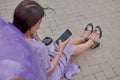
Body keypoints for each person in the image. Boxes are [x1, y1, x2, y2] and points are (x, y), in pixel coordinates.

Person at [12, 0, 102, 80]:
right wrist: (60, 52)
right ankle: (91, 41)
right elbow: (48, 72)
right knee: (66, 49)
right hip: (48, 76)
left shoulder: (11, 36)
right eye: (39, 22)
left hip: (33, 69)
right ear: (30, 25)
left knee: (55, 44)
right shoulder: (39, 47)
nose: (39, 26)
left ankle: (83, 39)